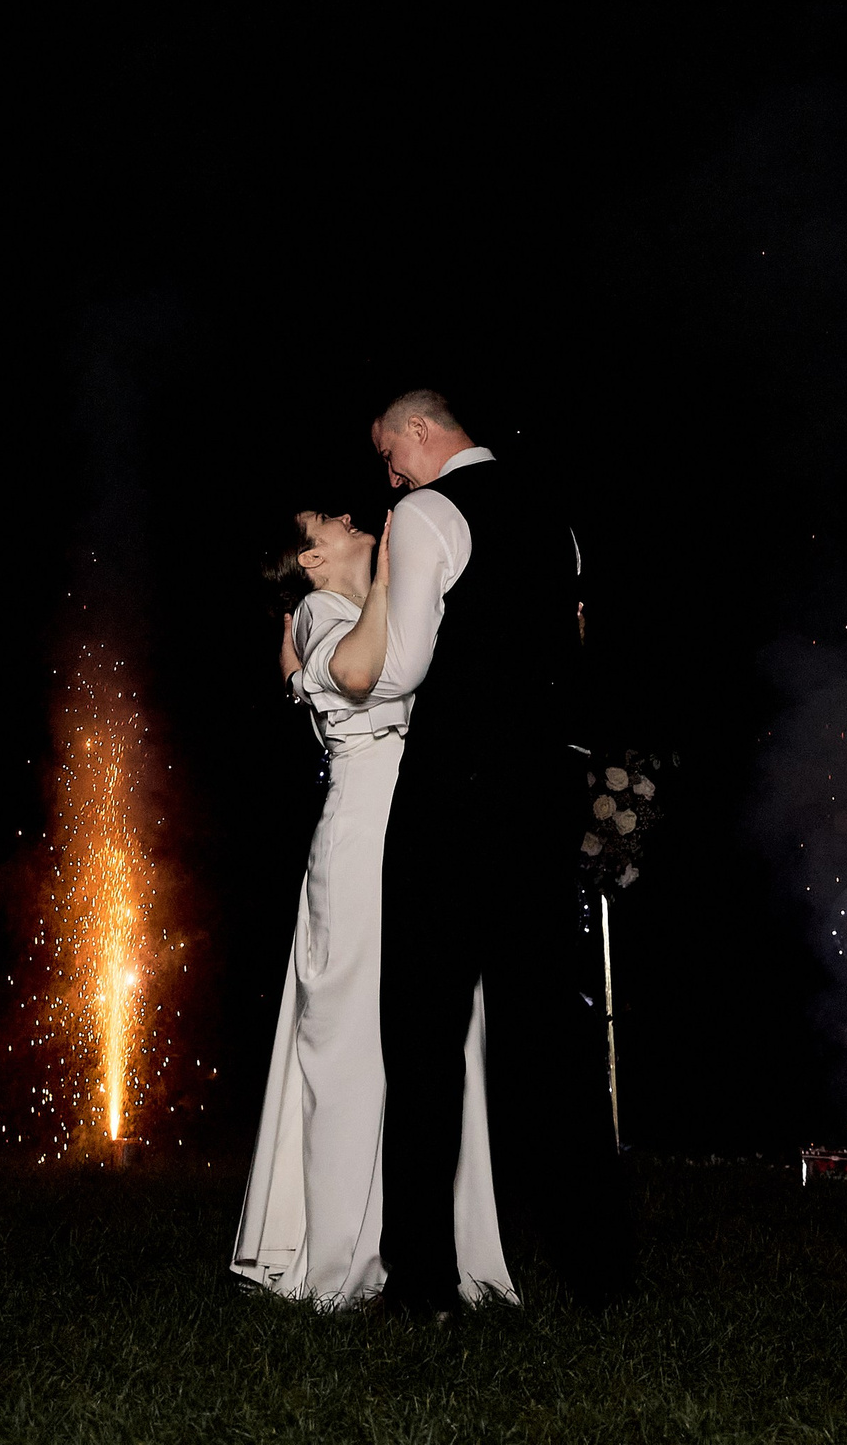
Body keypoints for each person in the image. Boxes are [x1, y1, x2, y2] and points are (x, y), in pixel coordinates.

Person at [335, 388, 629, 1317]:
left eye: (391, 455)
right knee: (549, 1032)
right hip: (545, 792)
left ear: (421, 432)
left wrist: (372, 604)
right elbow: (570, 654)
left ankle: (422, 1284)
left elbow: (403, 668)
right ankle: (599, 1270)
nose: (390, 478)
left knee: (423, 1031)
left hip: (455, 796)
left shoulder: (429, 512)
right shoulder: (557, 519)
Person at [231, 504, 512, 1306]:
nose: (349, 514)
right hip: (365, 839)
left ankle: (436, 1247)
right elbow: (356, 676)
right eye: (325, 520)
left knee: (438, 1031)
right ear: (311, 561)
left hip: (424, 825)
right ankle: (340, 1260)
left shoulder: (382, 605)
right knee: (354, 1036)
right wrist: (385, 584)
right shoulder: (320, 610)